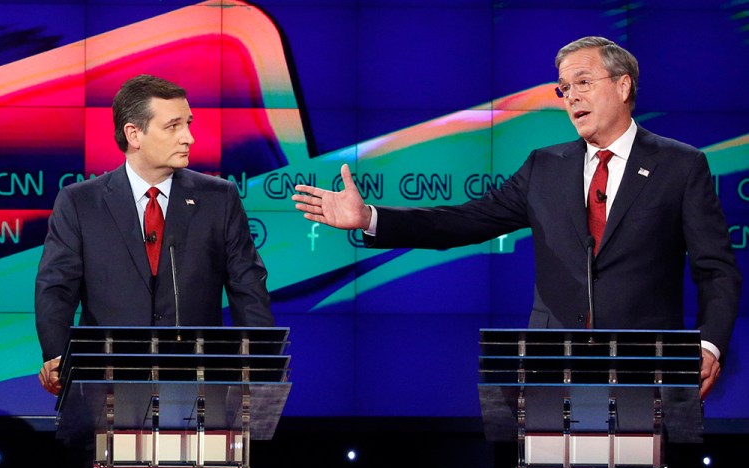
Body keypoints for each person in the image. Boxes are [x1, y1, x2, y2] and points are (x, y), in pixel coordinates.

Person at [293, 36, 741, 405]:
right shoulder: (545, 167)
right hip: (552, 371)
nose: (572, 97)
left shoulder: (680, 165)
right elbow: (464, 222)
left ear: (624, 87)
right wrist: (370, 217)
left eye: (584, 82)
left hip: (644, 370)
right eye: (564, 88)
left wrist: (708, 344)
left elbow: (716, 270)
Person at [36, 74, 275, 395]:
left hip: (197, 385)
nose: (188, 137)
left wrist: (260, 367)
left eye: (188, 123)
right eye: (173, 126)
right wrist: (58, 356)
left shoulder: (219, 197)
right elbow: (56, 289)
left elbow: (248, 289)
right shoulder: (80, 202)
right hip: (106, 384)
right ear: (134, 134)